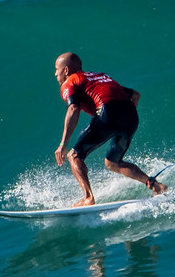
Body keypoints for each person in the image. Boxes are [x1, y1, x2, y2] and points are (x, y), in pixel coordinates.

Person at [54, 52, 167, 206]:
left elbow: (73, 108)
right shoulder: (99, 77)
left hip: (108, 111)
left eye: (57, 69)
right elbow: (135, 95)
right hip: (130, 115)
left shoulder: (70, 81)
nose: (56, 74)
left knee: (74, 156)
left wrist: (63, 143)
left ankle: (88, 198)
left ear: (66, 70)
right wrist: (123, 120)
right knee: (113, 163)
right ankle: (157, 186)